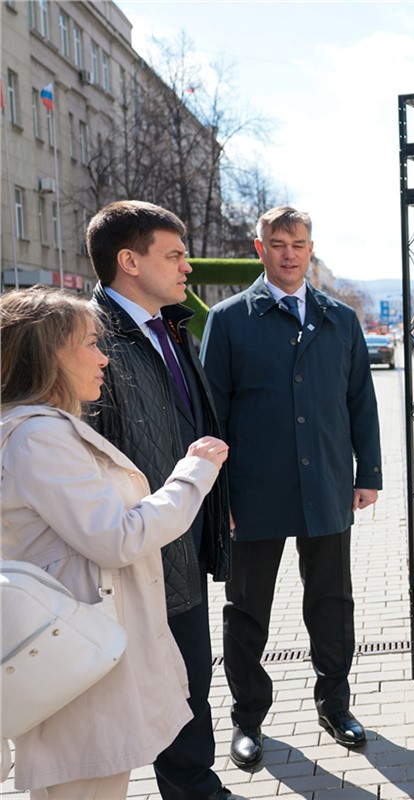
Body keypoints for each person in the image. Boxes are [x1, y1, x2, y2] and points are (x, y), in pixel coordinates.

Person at [0, 287, 229, 800]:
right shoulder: (39, 437)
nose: (104, 357)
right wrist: (193, 476)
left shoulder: (42, 429)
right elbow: (119, 538)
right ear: (50, 354)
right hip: (76, 657)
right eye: (89, 343)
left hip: (79, 651)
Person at [200, 206, 382, 768]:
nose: (289, 254)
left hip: (326, 485)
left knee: (332, 603)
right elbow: (212, 412)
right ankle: (248, 719)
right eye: (277, 243)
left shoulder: (339, 319)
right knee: (247, 609)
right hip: (254, 492)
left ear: (309, 248)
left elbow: (361, 402)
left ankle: (335, 704)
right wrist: (218, 494)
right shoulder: (229, 320)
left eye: (299, 244)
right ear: (260, 248)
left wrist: (367, 473)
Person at [82, 201, 239, 800]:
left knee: (190, 679)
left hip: (183, 534)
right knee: (164, 687)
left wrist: (215, 498)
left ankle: (196, 786)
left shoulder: (168, 326)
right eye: (173, 255)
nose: (187, 269)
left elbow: (190, 422)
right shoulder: (91, 339)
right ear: (129, 262)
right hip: (137, 548)